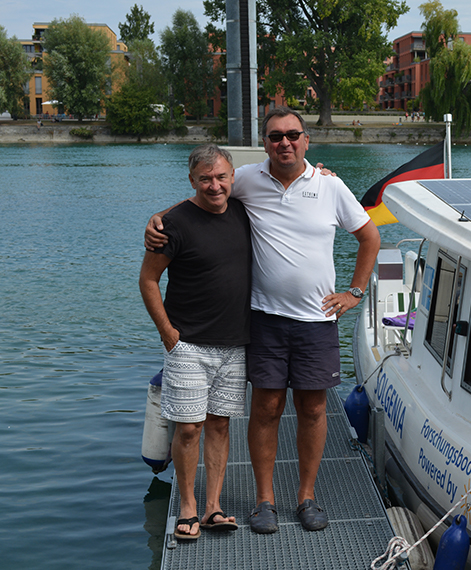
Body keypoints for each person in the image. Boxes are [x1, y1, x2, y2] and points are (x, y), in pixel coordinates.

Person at [146, 107, 381, 534]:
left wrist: (355, 292)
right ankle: (264, 501)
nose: (284, 143)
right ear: (266, 143)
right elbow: (206, 192)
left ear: (307, 140)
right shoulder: (249, 179)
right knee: (267, 408)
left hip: (317, 321)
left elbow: (369, 236)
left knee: (312, 409)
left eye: (293, 135)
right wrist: (160, 217)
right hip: (265, 320)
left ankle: (307, 497)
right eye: (275, 137)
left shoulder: (330, 185)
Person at [139, 144, 250, 540]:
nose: (214, 185)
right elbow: (148, 280)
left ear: (232, 177)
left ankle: (213, 507)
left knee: (219, 426)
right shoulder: (173, 224)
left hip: (234, 344)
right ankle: (187, 508)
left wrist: (319, 171)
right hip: (188, 345)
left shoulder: (243, 210)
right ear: (192, 181)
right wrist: (168, 334)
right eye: (205, 179)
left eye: (221, 177)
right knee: (188, 429)